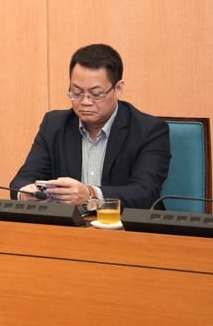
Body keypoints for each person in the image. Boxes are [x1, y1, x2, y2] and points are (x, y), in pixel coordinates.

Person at [10, 43, 171, 210]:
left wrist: (90, 194)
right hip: (69, 228)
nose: (85, 102)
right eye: (76, 92)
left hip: (125, 228)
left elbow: (145, 193)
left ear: (118, 89)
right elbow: (21, 180)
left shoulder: (150, 130)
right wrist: (26, 193)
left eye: (96, 94)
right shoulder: (54, 125)